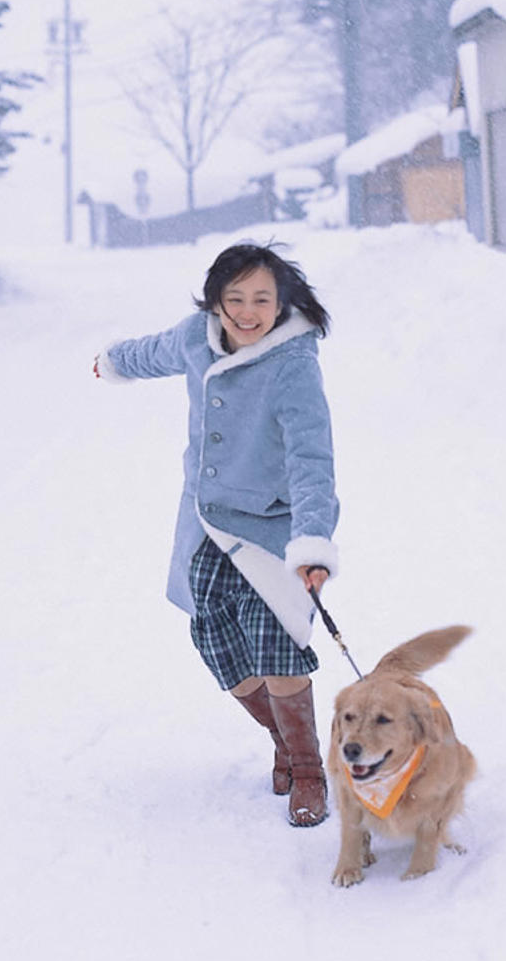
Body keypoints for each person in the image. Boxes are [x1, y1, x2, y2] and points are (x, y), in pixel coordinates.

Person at [93, 241, 339, 827]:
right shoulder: (195, 337)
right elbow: (151, 351)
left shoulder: (293, 363)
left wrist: (312, 541)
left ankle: (306, 769)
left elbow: (312, 459)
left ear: (281, 303)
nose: (249, 312)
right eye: (236, 299)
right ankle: (281, 741)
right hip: (206, 522)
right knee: (220, 647)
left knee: (278, 642)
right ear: (216, 303)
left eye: (262, 299)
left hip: (271, 528)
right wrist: (114, 362)